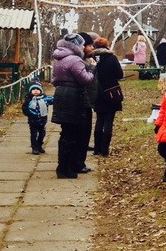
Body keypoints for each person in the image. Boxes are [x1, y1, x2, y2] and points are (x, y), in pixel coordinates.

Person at [51, 33, 96, 179]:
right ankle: (65, 168)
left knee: (66, 133)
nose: (84, 46)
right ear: (76, 45)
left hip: (61, 95)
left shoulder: (58, 59)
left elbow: (53, 79)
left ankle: (64, 166)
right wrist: (92, 69)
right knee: (73, 133)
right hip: (73, 97)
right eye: (82, 44)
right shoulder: (75, 60)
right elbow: (86, 80)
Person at [92, 37, 123, 156]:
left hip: (97, 92)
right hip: (111, 92)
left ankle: (96, 148)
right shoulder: (111, 58)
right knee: (108, 121)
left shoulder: (92, 58)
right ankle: (104, 150)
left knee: (99, 120)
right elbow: (119, 74)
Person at [74, 32, 97, 173]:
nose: (92, 48)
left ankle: (79, 162)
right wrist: (93, 68)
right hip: (81, 102)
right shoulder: (79, 62)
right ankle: (77, 163)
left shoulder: (84, 60)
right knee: (80, 134)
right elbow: (86, 80)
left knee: (83, 134)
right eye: (89, 45)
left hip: (85, 102)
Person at [22, 83, 54, 155]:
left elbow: (52, 100)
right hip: (33, 121)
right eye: (33, 89)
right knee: (34, 134)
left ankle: (39, 145)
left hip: (42, 121)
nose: (35, 91)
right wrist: (32, 114)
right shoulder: (29, 100)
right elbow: (25, 109)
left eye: (37, 89)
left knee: (42, 134)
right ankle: (34, 147)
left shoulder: (44, 99)